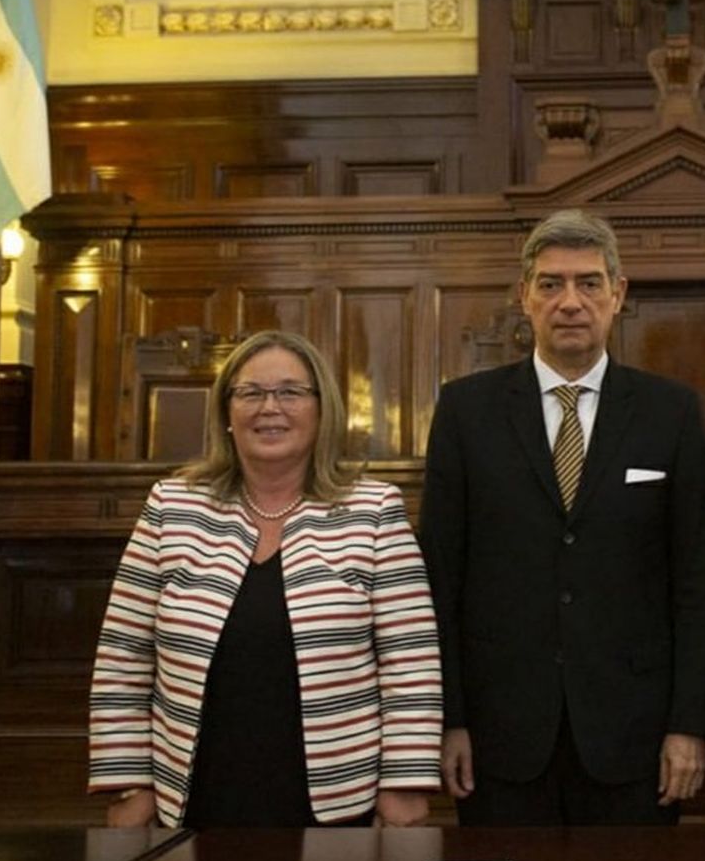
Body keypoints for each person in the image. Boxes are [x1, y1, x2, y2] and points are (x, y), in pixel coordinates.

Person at [419, 208, 705, 826]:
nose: (570, 301)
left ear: (619, 295)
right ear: (524, 296)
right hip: (498, 738)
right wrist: (447, 719)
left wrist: (688, 725)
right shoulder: (465, 411)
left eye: (588, 282)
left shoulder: (672, 412)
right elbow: (439, 581)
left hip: (634, 738)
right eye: (551, 283)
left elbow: (698, 583)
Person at [88, 330, 442, 827]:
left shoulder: (374, 510)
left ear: (322, 410)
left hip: (336, 797)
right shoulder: (171, 506)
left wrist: (404, 784)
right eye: (250, 393)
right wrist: (129, 784)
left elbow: (412, 662)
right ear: (226, 414)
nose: (268, 407)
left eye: (290, 392)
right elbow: (123, 656)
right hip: (196, 790)